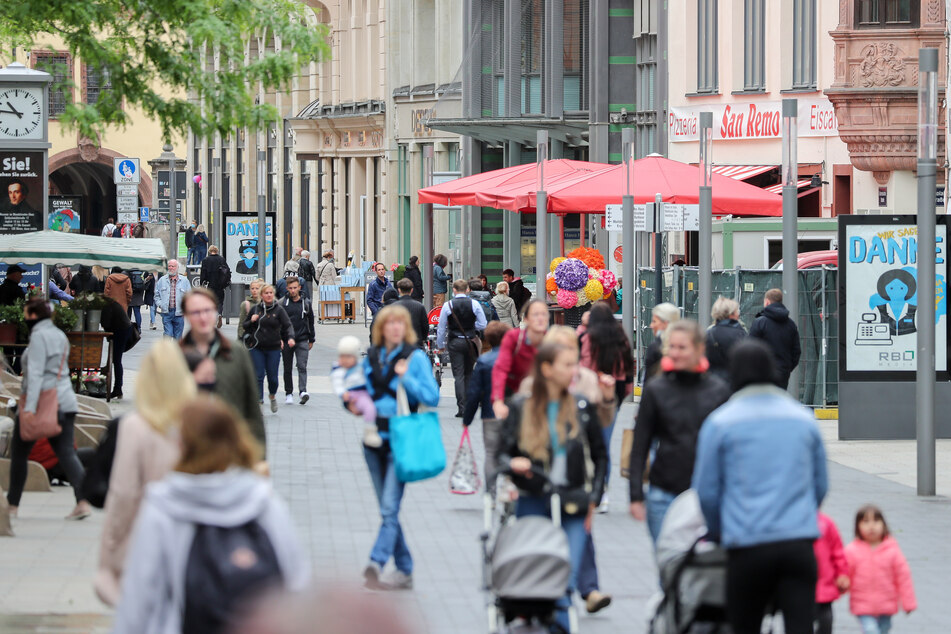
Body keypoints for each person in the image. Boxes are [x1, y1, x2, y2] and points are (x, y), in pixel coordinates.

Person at [112, 396, 310, 634]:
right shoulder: (263, 501)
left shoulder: (164, 506)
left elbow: (139, 597)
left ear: (182, 445)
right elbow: (296, 580)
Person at [692, 338, 828, 633]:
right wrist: (801, 515)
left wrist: (720, 531)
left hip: (747, 545)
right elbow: (820, 484)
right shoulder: (803, 419)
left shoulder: (720, 422)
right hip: (798, 544)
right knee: (801, 625)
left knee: (745, 624)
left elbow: (707, 492)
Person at [498, 343, 608, 630]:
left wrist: (593, 499)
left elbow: (600, 455)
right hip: (533, 499)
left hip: (573, 501)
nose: (574, 372)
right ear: (546, 369)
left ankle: (560, 626)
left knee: (565, 578)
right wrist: (514, 464)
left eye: (575, 364)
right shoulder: (522, 406)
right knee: (539, 576)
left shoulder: (581, 406)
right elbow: (501, 453)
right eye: (567, 365)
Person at [94, 340, 198, 606]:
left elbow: (124, 492)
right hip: (192, 541)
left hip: (147, 538)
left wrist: (110, 550)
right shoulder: (199, 424)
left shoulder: (135, 426)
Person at [360, 305, 440, 591]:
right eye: (389, 323)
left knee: (390, 508)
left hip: (402, 440)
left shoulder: (415, 358)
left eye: (399, 323)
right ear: (380, 328)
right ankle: (404, 569)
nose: (394, 328)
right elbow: (360, 395)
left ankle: (376, 562)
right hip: (373, 440)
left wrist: (406, 377)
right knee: (387, 510)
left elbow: (432, 396)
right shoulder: (371, 358)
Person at [629, 319, 730, 544]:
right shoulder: (656, 389)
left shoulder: (718, 391)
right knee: (668, 571)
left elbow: (729, 447)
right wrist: (635, 495)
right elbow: (641, 443)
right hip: (663, 493)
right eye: (671, 347)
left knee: (701, 569)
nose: (675, 353)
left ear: (699, 349)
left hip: (705, 495)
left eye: (682, 347)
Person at [6, 298, 89, 520]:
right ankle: (83, 501)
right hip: (65, 401)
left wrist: (29, 409)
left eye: (26, 314)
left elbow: (35, 375)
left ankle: (12, 506)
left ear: (33, 316)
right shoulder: (59, 335)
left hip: (44, 403)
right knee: (66, 454)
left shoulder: (39, 337)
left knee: (19, 453)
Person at [181, 288, 266, 449]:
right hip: (189, 449)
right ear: (186, 315)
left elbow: (251, 408)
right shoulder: (177, 356)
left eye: (208, 310)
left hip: (229, 446)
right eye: (195, 312)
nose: (203, 317)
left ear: (215, 313)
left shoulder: (236, 352)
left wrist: (259, 459)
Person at [579, 302, 634, 514]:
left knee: (587, 444)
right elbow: (628, 372)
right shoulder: (621, 339)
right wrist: (622, 396)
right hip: (612, 399)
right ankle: (603, 494)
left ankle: (589, 488)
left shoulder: (587, 338)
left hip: (589, 398)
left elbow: (583, 366)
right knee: (604, 446)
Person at [845, 505, 916, 634]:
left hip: (886, 603)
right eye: (865, 522)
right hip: (862, 603)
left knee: (884, 629)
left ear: (884, 525)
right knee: (870, 630)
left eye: (876, 521)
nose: (871, 526)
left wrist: (908, 603)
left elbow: (903, 577)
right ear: (857, 527)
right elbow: (844, 573)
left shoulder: (892, 550)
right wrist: (839, 587)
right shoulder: (852, 551)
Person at [462, 321, 512, 496]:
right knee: (511, 451)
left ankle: (490, 492)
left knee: (491, 453)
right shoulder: (514, 359)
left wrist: (467, 419)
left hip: (490, 414)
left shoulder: (484, 361)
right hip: (512, 415)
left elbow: (474, 393)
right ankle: (509, 487)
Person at [436, 278, 488, 417]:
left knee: (458, 375)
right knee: (469, 373)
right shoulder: (474, 304)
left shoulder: (448, 305)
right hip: (470, 340)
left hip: (454, 341)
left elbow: (441, 327)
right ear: (467, 290)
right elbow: (483, 324)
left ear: (453, 290)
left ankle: (462, 407)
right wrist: (471, 327)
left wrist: (440, 345)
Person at [491, 299, 549, 420]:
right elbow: (501, 368)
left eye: (544, 314)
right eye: (535, 314)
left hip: (543, 397)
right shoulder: (514, 338)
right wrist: (498, 400)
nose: (540, 318)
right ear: (526, 319)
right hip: (515, 395)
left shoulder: (552, 340)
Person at [243, 284, 295, 413]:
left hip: (273, 347)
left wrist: (290, 338)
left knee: (272, 377)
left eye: (270, 293)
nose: (268, 295)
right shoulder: (256, 309)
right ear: (261, 295)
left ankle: (272, 395)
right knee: (258, 375)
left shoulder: (279, 310)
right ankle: (259, 401)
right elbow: (245, 325)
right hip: (257, 347)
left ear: (273, 294)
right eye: (266, 293)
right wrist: (252, 321)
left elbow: (288, 325)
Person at [331, 335, 380, 448]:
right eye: (342, 357)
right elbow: (337, 383)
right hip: (354, 395)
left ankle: (371, 429)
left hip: (366, 392)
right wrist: (343, 394)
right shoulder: (339, 370)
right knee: (369, 407)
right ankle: (370, 431)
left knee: (371, 407)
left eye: (349, 357)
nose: (345, 360)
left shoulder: (361, 366)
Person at [750, 288, 802, 390]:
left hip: (761, 373)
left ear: (767, 302)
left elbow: (750, 348)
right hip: (782, 373)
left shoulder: (760, 322)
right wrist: (786, 368)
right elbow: (796, 351)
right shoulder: (791, 324)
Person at [280, 277, 315, 405]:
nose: (293, 290)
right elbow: (278, 323)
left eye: (295, 288)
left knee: (302, 366)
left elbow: (310, 321)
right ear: (287, 289)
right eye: (291, 288)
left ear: (299, 287)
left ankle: (302, 391)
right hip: (287, 339)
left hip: (302, 339)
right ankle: (288, 393)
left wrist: (311, 339)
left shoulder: (306, 303)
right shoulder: (282, 303)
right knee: (287, 367)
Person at [814, 512, 850, 634]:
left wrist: (842, 573)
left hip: (823, 585)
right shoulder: (788, 522)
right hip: (798, 587)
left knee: (826, 622)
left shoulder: (825, 523)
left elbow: (838, 552)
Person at [705, 296, 747, 382]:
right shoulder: (741, 334)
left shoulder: (709, 333)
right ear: (731, 314)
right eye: (736, 311)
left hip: (713, 380)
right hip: (736, 380)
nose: (738, 314)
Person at [100, 297, 134, 400]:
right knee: (115, 359)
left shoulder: (106, 307)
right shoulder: (110, 303)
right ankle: (117, 387)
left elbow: (105, 323)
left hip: (121, 331)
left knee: (117, 360)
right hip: (123, 329)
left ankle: (118, 388)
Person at [154, 259, 192, 339]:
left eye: (173, 266)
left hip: (179, 313)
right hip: (166, 312)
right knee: (168, 334)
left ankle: (176, 351)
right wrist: (161, 304)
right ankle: (167, 351)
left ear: (177, 267)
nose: (171, 268)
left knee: (178, 337)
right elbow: (156, 295)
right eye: (169, 266)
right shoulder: (162, 280)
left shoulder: (184, 281)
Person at [642, 302, 680, 382]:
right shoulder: (687, 345)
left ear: (665, 323)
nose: (651, 325)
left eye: (654, 321)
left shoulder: (655, 347)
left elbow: (648, 380)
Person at [394, 278, 429, 347]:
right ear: (412, 290)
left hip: (399, 344)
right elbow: (425, 326)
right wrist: (423, 339)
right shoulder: (420, 306)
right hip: (416, 343)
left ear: (399, 290)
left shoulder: (393, 307)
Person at [199, 245, 230, 317]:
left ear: (209, 251)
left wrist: (202, 284)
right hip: (220, 284)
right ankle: (219, 313)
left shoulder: (205, 260)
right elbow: (227, 271)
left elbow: (203, 273)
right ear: (217, 251)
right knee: (220, 301)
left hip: (210, 284)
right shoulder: (221, 259)